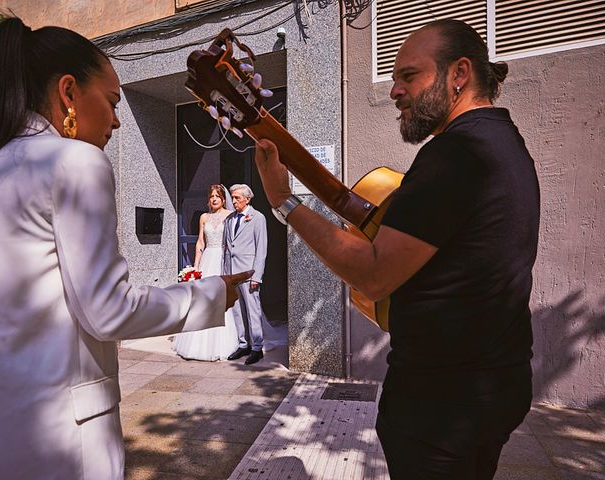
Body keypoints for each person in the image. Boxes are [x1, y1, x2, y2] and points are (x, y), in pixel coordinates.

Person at [254, 19, 539, 480]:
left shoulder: (455, 154)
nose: (394, 90)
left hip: (442, 404)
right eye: (393, 78)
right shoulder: (505, 142)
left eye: (408, 76)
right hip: (492, 384)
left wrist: (284, 202)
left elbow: (373, 273)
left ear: (459, 74)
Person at [0, 18, 251, 480]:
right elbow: (107, 310)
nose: (118, 120)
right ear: (68, 92)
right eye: (111, 101)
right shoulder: (74, 161)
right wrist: (209, 294)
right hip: (67, 437)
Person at [174, 184, 239, 360]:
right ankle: (197, 345)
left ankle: (224, 343)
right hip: (208, 259)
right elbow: (200, 243)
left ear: (224, 199)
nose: (214, 199)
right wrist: (196, 266)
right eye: (211, 196)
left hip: (222, 260)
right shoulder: (203, 217)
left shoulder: (231, 216)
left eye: (218, 196)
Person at [224, 184, 268, 365]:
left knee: (253, 311)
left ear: (247, 199)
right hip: (232, 273)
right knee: (237, 311)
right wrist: (226, 275)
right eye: (233, 198)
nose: (233, 201)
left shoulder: (258, 218)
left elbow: (261, 249)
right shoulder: (229, 219)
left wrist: (257, 276)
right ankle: (244, 344)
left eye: (237, 198)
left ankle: (257, 348)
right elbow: (227, 248)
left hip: (249, 273)